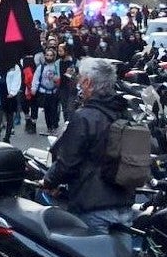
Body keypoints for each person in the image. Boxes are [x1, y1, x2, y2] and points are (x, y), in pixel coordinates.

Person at [43, 57, 136, 241]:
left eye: (80, 79)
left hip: (92, 208)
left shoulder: (84, 117)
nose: (78, 83)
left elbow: (68, 163)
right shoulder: (124, 114)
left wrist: (48, 182)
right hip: (124, 207)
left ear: (87, 82)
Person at [31, 48, 61, 135]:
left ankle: (54, 127)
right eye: (47, 55)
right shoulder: (41, 67)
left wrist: (56, 79)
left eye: (51, 55)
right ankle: (49, 128)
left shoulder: (56, 66)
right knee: (47, 111)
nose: (49, 57)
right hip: (43, 92)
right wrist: (34, 88)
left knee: (54, 110)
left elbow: (59, 78)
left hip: (54, 92)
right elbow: (36, 78)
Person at [0, 59, 24, 144]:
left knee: (9, 115)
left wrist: (13, 92)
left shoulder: (15, 66)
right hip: (0, 91)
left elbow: (17, 79)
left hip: (9, 93)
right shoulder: (0, 63)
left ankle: (7, 136)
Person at [57, 43, 79, 119]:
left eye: (60, 51)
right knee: (65, 108)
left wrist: (73, 74)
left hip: (72, 88)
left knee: (71, 108)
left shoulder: (75, 62)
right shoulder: (58, 62)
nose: (58, 52)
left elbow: (80, 75)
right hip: (62, 88)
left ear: (66, 52)